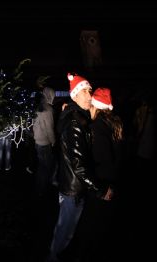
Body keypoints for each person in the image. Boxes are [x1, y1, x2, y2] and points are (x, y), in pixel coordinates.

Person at [45, 73, 107, 262]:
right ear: (75, 95)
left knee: (67, 229)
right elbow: (79, 165)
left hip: (71, 185)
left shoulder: (75, 116)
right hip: (72, 189)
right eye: (86, 92)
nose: (90, 96)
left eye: (90, 91)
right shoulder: (75, 122)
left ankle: (57, 254)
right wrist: (101, 190)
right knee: (66, 229)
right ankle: (53, 257)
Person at [75, 87, 123, 262]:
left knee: (92, 228)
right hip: (111, 184)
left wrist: (100, 189)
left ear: (97, 106)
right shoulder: (112, 124)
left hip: (102, 187)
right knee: (102, 228)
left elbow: (103, 162)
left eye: (91, 104)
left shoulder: (97, 128)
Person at [32, 87, 56, 197]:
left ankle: (39, 188)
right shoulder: (48, 109)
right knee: (46, 168)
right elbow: (49, 128)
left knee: (42, 166)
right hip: (45, 143)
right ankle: (43, 190)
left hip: (38, 142)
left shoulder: (38, 107)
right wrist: (53, 141)